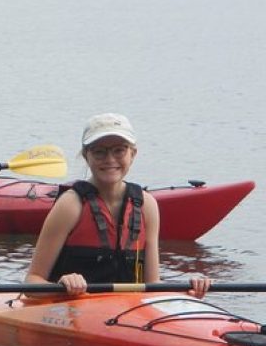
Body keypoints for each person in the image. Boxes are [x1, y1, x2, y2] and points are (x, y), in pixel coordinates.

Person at [25, 113, 211, 298]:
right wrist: (62, 284)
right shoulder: (70, 205)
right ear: (86, 156)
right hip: (72, 312)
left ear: (133, 154)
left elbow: (153, 285)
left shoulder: (147, 205)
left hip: (128, 315)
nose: (110, 159)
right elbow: (32, 281)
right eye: (99, 152)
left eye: (119, 150)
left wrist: (187, 291)